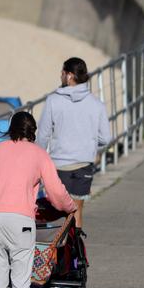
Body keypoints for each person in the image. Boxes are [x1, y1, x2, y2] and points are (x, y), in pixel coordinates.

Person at [0, 112, 76, 288]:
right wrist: (69, 206)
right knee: (21, 283)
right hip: (21, 223)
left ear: (11, 129)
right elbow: (56, 192)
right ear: (33, 131)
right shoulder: (39, 154)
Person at [37, 57, 111, 228]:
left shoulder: (53, 101)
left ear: (69, 75)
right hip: (84, 164)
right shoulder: (96, 104)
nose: (60, 76)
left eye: (62, 73)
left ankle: (60, 252)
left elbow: (43, 136)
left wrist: (40, 163)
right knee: (77, 210)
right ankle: (76, 252)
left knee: (59, 211)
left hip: (59, 165)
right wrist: (90, 145)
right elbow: (105, 138)